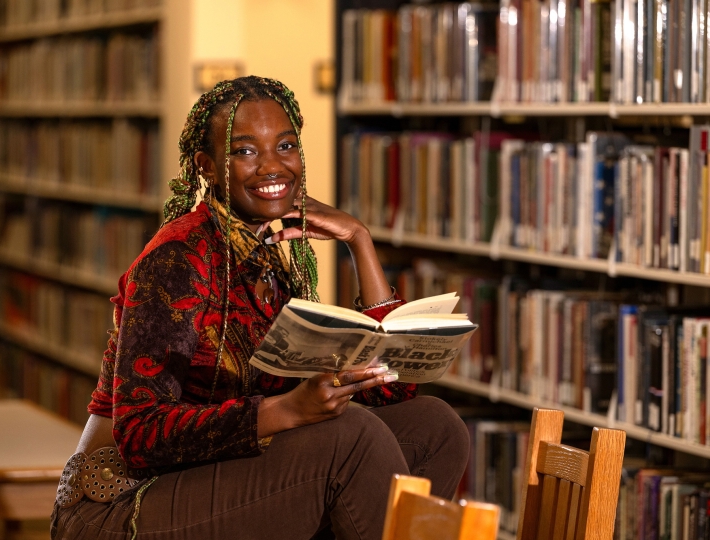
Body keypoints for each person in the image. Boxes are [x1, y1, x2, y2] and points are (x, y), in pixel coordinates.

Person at [51, 76, 469, 540]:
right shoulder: (178, 257)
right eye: (246, 151)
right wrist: (287, 410)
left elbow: (388, 394)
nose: (273, 167)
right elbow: (139, 434)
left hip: (214, 474)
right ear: (207, 167)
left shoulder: (265, 255)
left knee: (435, 426)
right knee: (348, 436)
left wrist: (359, 241)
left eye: (285, 145)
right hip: (123, 500)